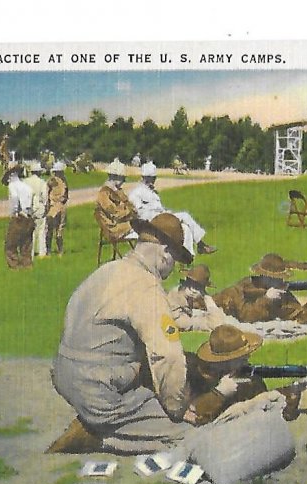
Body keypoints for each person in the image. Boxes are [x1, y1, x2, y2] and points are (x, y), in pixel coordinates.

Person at [49, 212, 195, 455]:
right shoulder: (146, 286)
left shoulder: (108, 269)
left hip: (65, 372)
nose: (171, 270)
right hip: (96, 389)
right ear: (165, 252)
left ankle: (100, 425)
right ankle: (99, 438)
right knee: (183, 435)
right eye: (176, 259)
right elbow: (167, 356)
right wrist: (176, 408)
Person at [183, 324, 307, 426]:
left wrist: (295, 390)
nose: (247, 359)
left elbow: (267, 409)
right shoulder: (193, 374)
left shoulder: (247, 378)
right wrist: (220, 393)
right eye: (242, 357)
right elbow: (193, 415)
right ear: (225, 360)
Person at [128, 161, 216, 255]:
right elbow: (139, 213)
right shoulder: (136, 192)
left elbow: (159, 208)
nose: (152, 181)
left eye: (153, 178)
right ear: (143, 177)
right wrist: (161, 215)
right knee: (185, 215)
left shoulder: (152, 192)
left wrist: (165, 212)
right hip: (152, 222)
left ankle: (188, 259)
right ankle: (201, 245)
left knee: (185, 228)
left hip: (161, 218)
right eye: (149, 178)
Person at [213, 253, 307, 324]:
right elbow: (246, 316)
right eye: (277, 278)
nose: (280, 281)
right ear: (265, 277)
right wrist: (266, 298)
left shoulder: (279, 292)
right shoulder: (242, 289)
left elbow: (298, 315)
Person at [167, 264, 238, 332]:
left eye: (198, 287)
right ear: (185, 283)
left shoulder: (188, 297)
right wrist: (202, 321)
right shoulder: (175, 296)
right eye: (191, 285)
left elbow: (217, 320)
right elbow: (180, 324)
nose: (194, 290)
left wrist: (205, 296)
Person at [95, 158, 137, 242]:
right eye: (122, 179)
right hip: (113, 229)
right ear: (114, 177)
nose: (123, 182)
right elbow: (115, 214)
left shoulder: (117, 191)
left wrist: (129, 209)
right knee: (145, 228)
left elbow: (130, 206)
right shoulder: (104, 193)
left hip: (123, 225)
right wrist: (129, 211)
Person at [3, 164, 35, 269]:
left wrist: (14, 212)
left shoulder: (12, 186)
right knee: (26, 243)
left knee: (10, 244)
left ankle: (14, 265)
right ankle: (27, 264)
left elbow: (15, 198)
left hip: (19, 217)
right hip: (29, 216)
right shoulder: (26, 186)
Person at [24, 162, 49, 258]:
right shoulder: (42, 182)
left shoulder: (25, 182)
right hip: (39, 206)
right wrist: (46, 206)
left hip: (27, 207)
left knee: (29, 231)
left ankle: (30, 252)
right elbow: (44, 197)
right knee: (41, 230)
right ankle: (42, 253)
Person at [45, 162, 69, 255]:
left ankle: (49, 250)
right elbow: (66, 196)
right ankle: (60, 251)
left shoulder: (50, 181)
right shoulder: (64, 181)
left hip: (52, 206)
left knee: (50, 229)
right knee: (59, 229)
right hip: (61, 205)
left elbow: (47, 194)